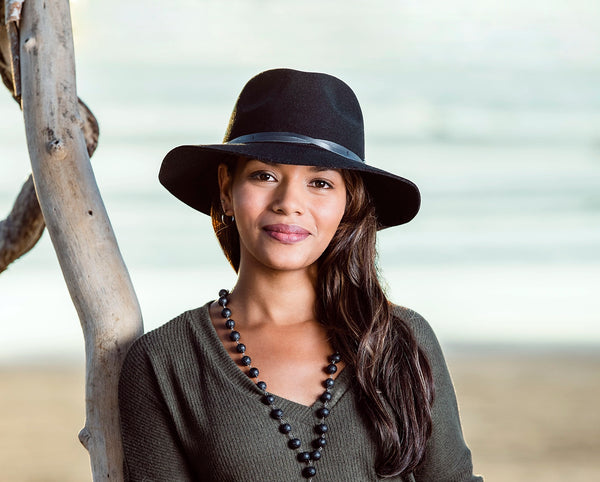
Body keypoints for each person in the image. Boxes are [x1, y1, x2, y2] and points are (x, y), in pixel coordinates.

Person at [118, 68, 483, 481]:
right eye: (265, 175)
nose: (289, 202)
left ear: (349, 201)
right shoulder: (163, 362)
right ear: (226, 188)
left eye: (320, 183)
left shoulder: (402, 339)